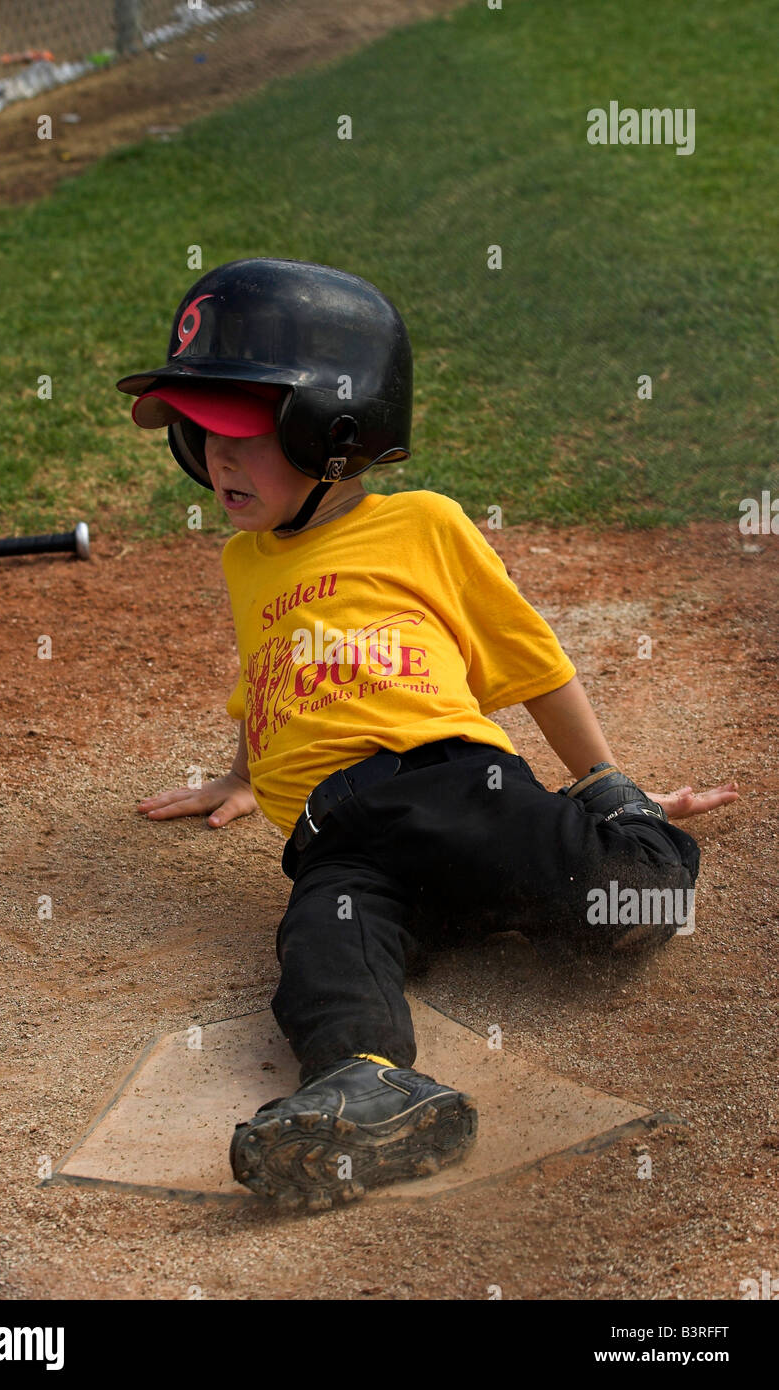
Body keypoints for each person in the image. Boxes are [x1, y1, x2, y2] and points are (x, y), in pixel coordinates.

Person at [117, 257, 739, 1212]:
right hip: (332, 839)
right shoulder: (246, 562)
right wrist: (241, 775)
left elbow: (535, 665)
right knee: (320, 953)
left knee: (628, 908)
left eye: (243, 434)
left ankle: (640, 843)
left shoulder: (424, 527)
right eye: (199, 436)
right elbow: (271, 672)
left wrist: (611, 782)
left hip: (450, 786)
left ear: (336, 431)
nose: (215, 459)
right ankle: (370, 1086)